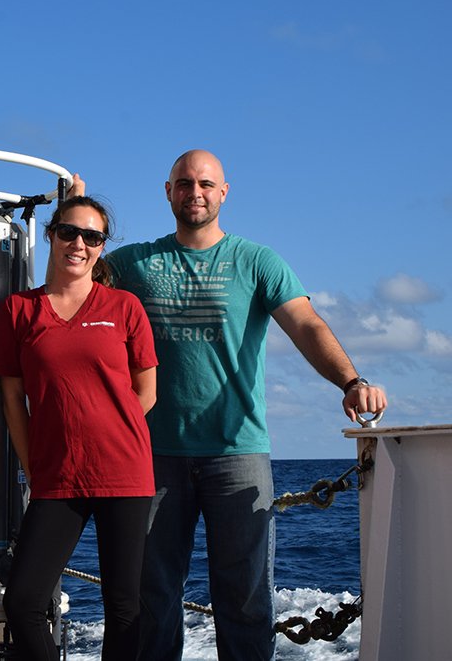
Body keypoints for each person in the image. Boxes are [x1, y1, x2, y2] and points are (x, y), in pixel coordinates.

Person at [104, 149, 388, 660]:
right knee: (152, 596)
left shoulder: (258, 261)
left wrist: (350, 380)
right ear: (167, 191)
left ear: (224, 192)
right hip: (152, 453)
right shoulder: (132, 263)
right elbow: (72, 281)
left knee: (247, 598)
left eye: (206, 184)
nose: (196, 192)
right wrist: (71, 207)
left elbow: (307, 326)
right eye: (185, 183)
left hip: (238, 454)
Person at [0, 195, 158, 660]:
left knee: (124, 606)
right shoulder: (18, 311)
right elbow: (11, 399)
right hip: (56, 478)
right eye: (69, 232)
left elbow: (147, 392)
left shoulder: (124, 307)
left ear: (102, 246)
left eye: (92, 236)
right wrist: (33, 463)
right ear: (51, 235)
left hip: (125, 474)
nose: (78, 244)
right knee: (23, 601)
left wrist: (108, 432)